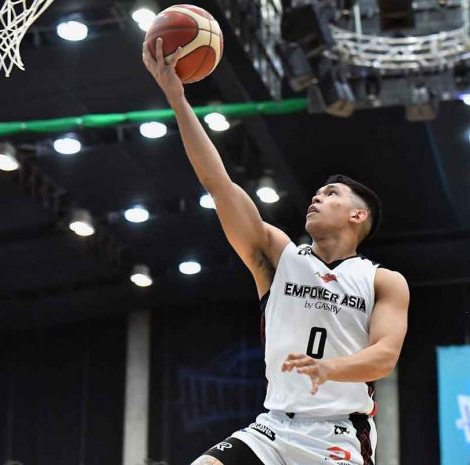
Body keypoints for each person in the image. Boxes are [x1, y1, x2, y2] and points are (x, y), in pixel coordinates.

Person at [143, 39, 410, 465]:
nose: (316, 198)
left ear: (358, 216)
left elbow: (384, 357)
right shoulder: (278, 254)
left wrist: (331, 369)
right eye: (318, 193)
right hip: (273, 427)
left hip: (337, 430)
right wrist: (177, 99)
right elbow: (219, 184)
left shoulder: (382, 280)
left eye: (331, 193)